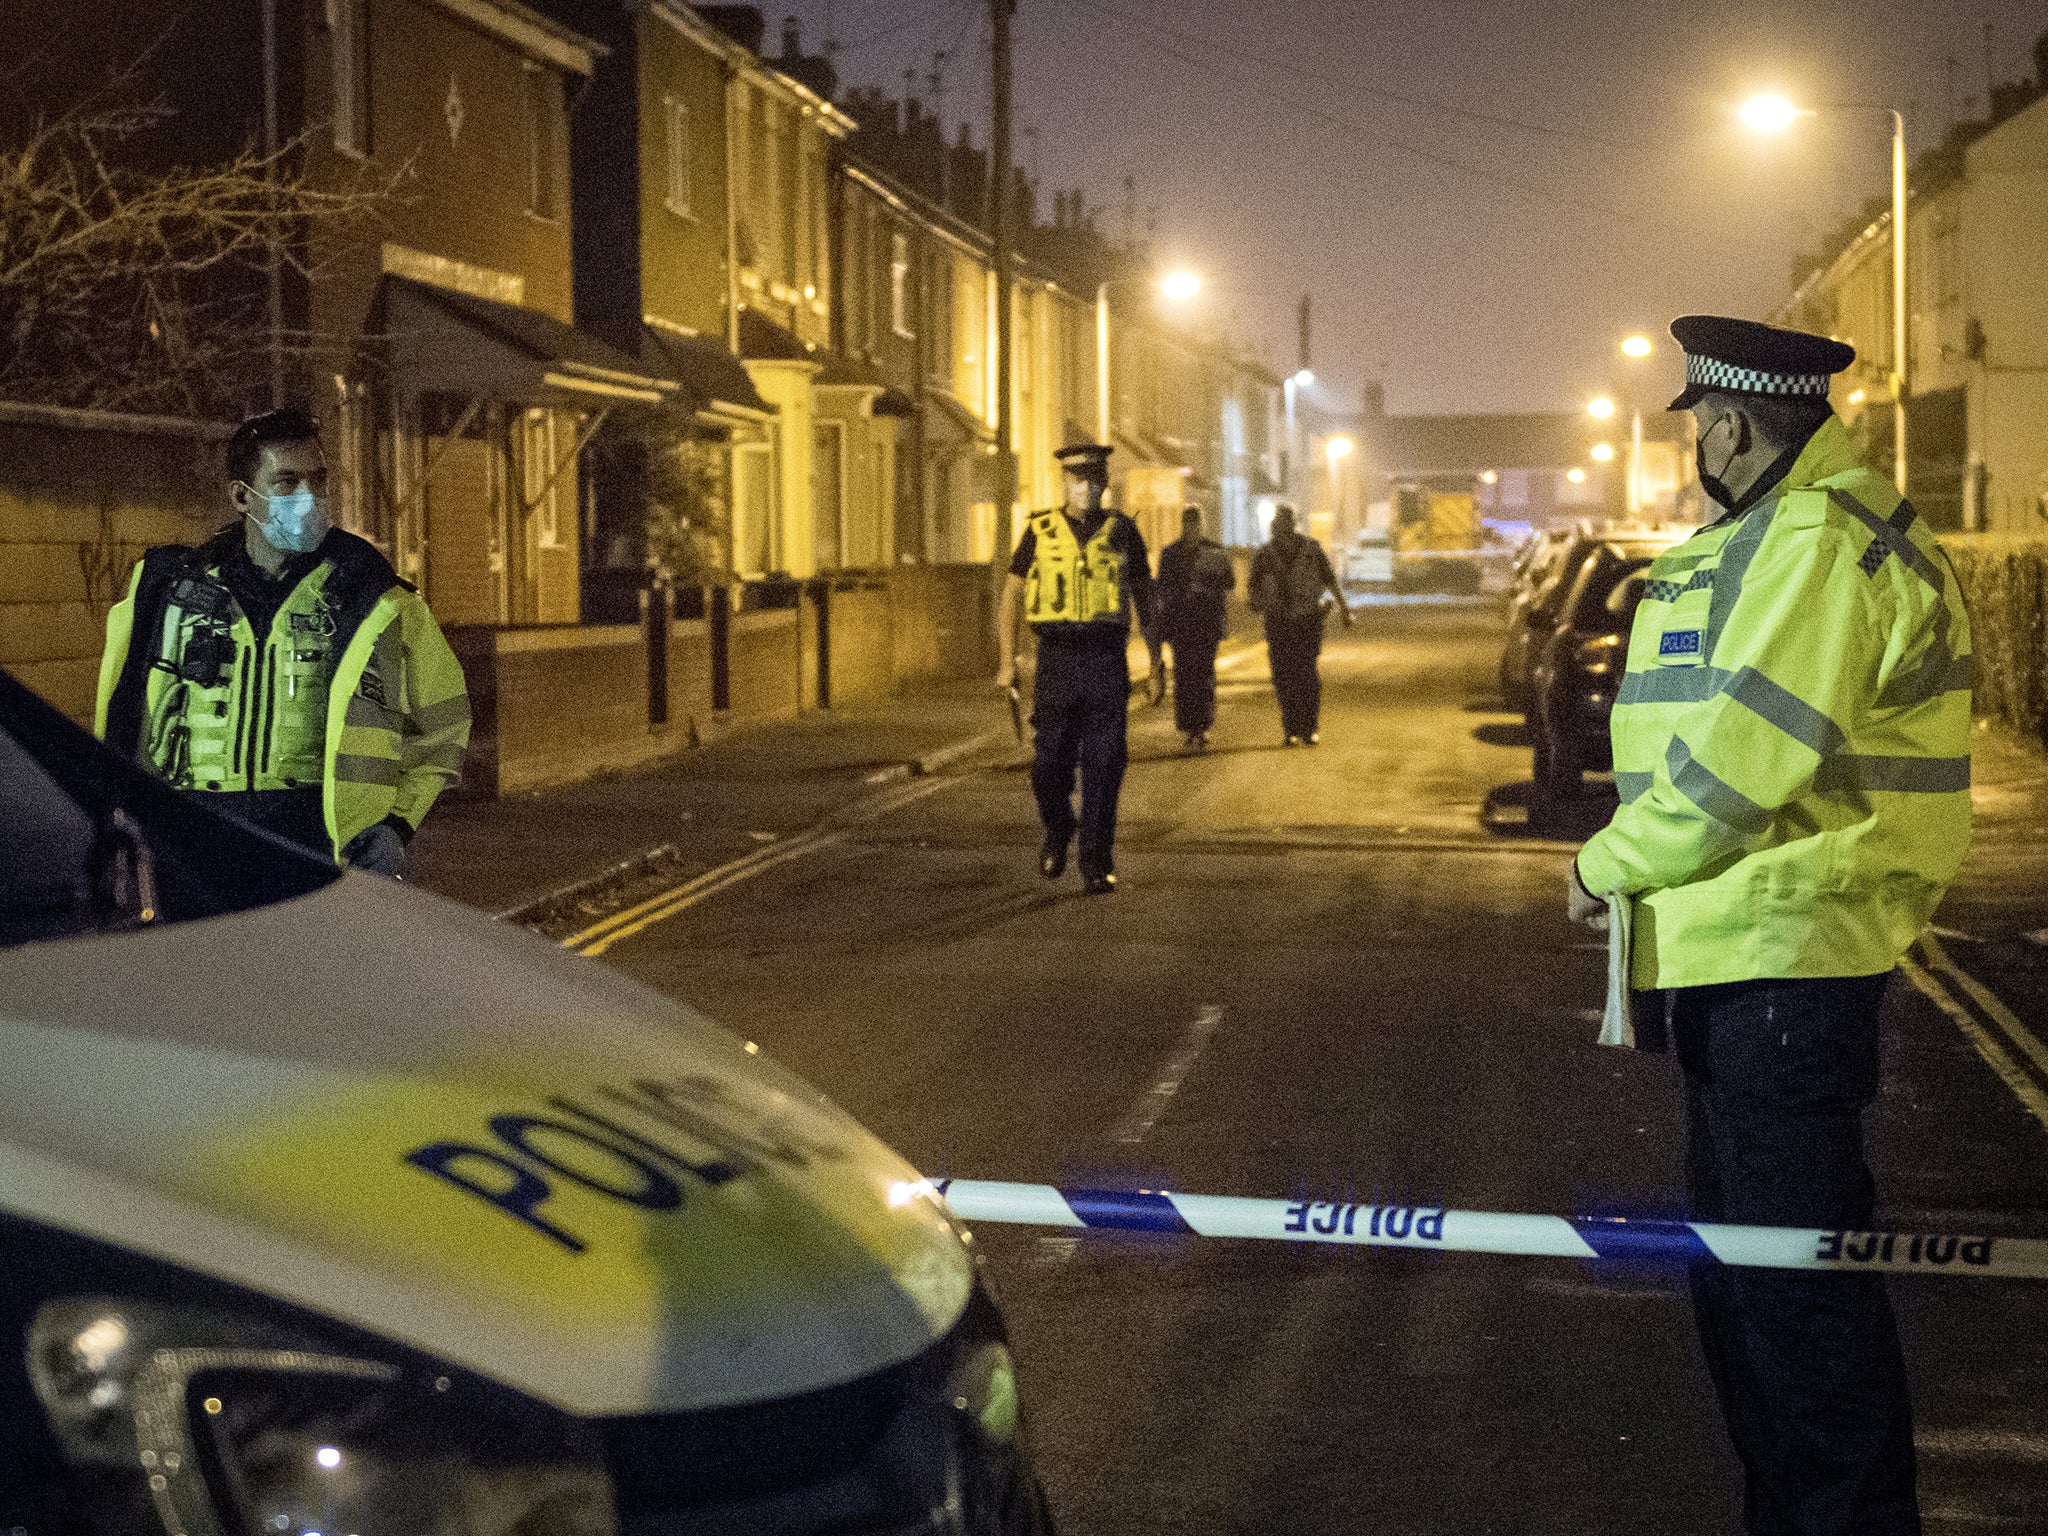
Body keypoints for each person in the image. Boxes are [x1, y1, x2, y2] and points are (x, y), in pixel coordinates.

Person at [1568, 315, 1974, 1536]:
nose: (1694, 440)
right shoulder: (1776, 534)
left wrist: (1603, 863)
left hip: (1786, 965)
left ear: (1732, 425)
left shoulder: (1813, 542)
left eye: (1696, 420)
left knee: (1796, 1309)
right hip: (1744, 960)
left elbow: (1742, 758)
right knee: (1753, 1298)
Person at [96, 406, 470, 878]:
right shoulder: (167, 593)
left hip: (321, 843)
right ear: (241, 496)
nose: (309, 496)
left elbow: (444, 723)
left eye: (318, 479)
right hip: (195, 840)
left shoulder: (377, 599)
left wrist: (396, 825)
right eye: (287, 482)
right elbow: (121, 721)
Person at [995, 442, 1163, 894]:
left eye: (1093, 479)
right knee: (1047, 765)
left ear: (1105, 483)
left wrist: (1156, 661)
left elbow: (1146, 598)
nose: (1085, 487)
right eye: (1076, 479)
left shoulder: (1123, 531)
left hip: (1107, 662)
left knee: (1105, 767)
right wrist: (1006, 662)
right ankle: (1059, 826)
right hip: (1057, 660)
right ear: (1064, 482)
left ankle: (1096, 863)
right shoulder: (1039, 529)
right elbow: (1011, 595)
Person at [1249, 503, 1352, 745]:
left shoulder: (1311, 550)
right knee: (1283, 676)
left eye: (1285, 523)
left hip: (1307, 620)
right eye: (1278, 524)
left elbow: (1330, 579)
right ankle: (1291, 728)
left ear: (1292, 525)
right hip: (1279, 622)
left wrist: (1345, 609)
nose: (1280, 528)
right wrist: (1256, 602)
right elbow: (1253, 587)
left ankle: (1308, 727)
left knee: (1306, 675)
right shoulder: (1264, 555)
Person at [1156, 505, 1235, 750]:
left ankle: (1202, 726)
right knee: (1183, 675)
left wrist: (1209, 580)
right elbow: (1163, 587)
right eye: (1188, 522)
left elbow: (1229, 582)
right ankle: (1190, 727)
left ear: (1201, 524)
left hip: (1206, 623)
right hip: (1181, 624)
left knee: (1203, 674)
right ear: (1184, 524)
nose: (1192, 527)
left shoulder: (1215, 552)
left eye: (1195, 522)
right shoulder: (1170, 554)